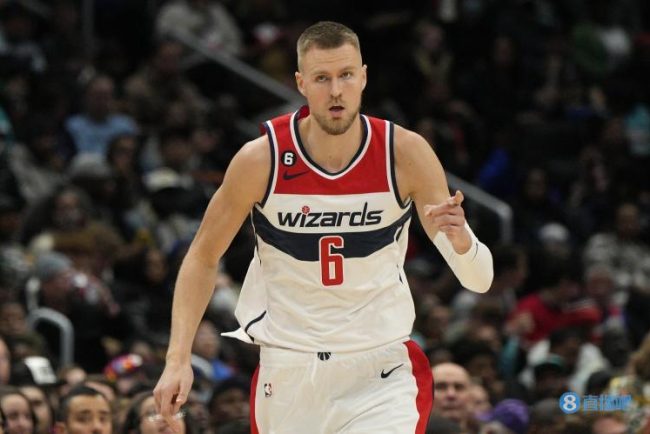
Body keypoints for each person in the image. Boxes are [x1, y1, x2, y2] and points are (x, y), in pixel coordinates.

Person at [153, 21, 494, 434]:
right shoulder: (261, 159)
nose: (336, 91)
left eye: (346, 75)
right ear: (300, 83)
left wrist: (462, 241)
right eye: (322, 78)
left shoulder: (404, 153)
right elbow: (203, 257)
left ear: (363, 77)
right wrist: (177, 358)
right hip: (289, 372)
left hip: (379, 372)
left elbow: (479, 281)